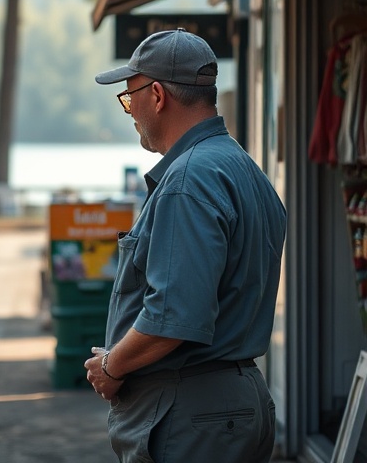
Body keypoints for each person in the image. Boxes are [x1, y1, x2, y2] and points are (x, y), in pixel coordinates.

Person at [84, 29, 286, 463]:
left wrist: (112, 366)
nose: (129, 111)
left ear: (157, 95)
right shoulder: (243, 168)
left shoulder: (188, 180)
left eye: (128, 96)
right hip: (231, 404)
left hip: (193, 415)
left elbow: (174, 318)